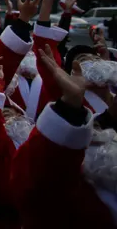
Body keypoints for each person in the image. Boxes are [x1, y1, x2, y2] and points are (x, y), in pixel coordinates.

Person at [11, 44, 117, 227]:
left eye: (94, 58)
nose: (91, 62)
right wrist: (69, 106)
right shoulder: (86, 196)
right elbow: (36, 185)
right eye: (83, 60)